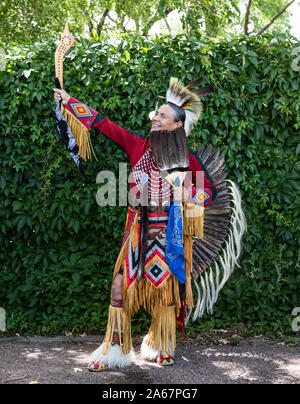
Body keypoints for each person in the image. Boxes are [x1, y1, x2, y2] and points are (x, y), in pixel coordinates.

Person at [53, 77, 217, 371]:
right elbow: (105, 125)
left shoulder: (187, 158)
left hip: (170, 236)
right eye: (156, 114)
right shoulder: (138, 144)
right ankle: (113, 350)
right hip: (137, 232)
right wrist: (69, 101)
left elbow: (210, 192)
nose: (155, 118)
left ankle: (160, 344)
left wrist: (190, 193)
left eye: (162, 116)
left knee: (165, 293)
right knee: (120, 286)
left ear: (177, 125)